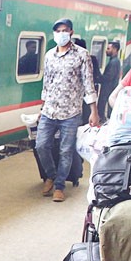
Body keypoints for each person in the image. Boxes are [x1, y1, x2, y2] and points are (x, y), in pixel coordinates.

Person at [35, 18, 100, 202]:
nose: (61, 34)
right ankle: (51, 174)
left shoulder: (82, 55)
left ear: (71, 32)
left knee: (66, 150)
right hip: (49, 110)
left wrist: (94, 111)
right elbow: (46, 84)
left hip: (71, 112)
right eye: (58, 31)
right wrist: (42, 108)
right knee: (41, 145)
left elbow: (88, 83)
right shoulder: (49, 55)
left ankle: (59, 186)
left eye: (64, 30)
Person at [98, 41, 121, 120]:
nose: (106, 50)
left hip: (108, 89)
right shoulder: (114, 61)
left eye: (108, 48)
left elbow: (108, 77)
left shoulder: (114, 62)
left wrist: (98, 77)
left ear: (115, 49)